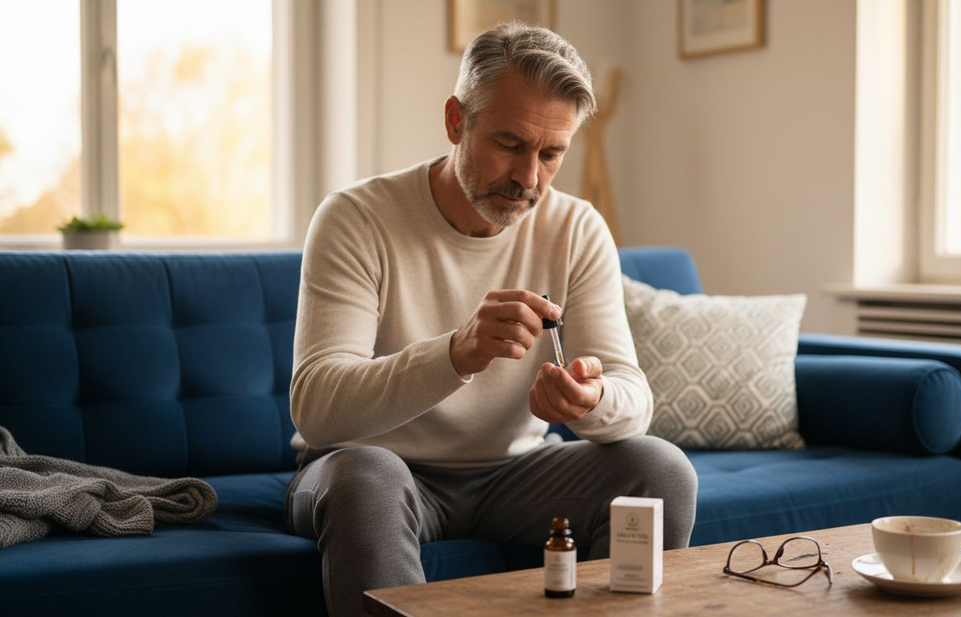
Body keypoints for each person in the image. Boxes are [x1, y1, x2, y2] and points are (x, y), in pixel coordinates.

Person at [285, 21, 698, 614]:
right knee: (366, 479)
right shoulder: (356, 218)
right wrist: (457, 354)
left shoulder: (577, 229)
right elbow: (318, 408)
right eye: (510, 143)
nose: (529, 178)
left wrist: (591, 400)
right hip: (368, 467)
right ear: (456, 121)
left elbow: (632, 396)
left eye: (551, 154)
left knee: (661, 469)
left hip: (514, 475)